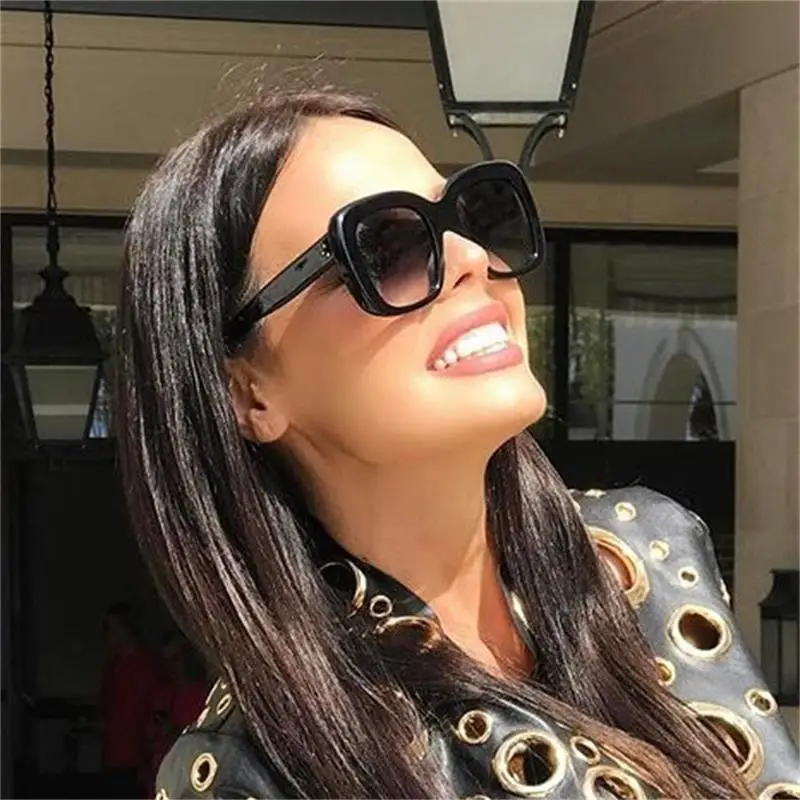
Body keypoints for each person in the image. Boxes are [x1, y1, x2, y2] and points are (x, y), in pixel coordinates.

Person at [116, 86, 799, 799]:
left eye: (471, 215)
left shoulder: (641, 554)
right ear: (247, 392)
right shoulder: (251, 772)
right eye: (386, 247)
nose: (473, 256)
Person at [99, 602, 159, 799]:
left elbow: (146, 711)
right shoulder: (114, 665)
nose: (106, 635)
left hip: (135, 758)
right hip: (114, 755)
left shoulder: (144, 665)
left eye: (110, 628)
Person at [143, 633, 208, 794]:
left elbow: (202, 742)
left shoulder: (201, 695)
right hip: (157, 775)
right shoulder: (161, 695)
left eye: (176, 658)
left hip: (185, 779)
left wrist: (173, 731)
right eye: (166, 660)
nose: (172, 666)